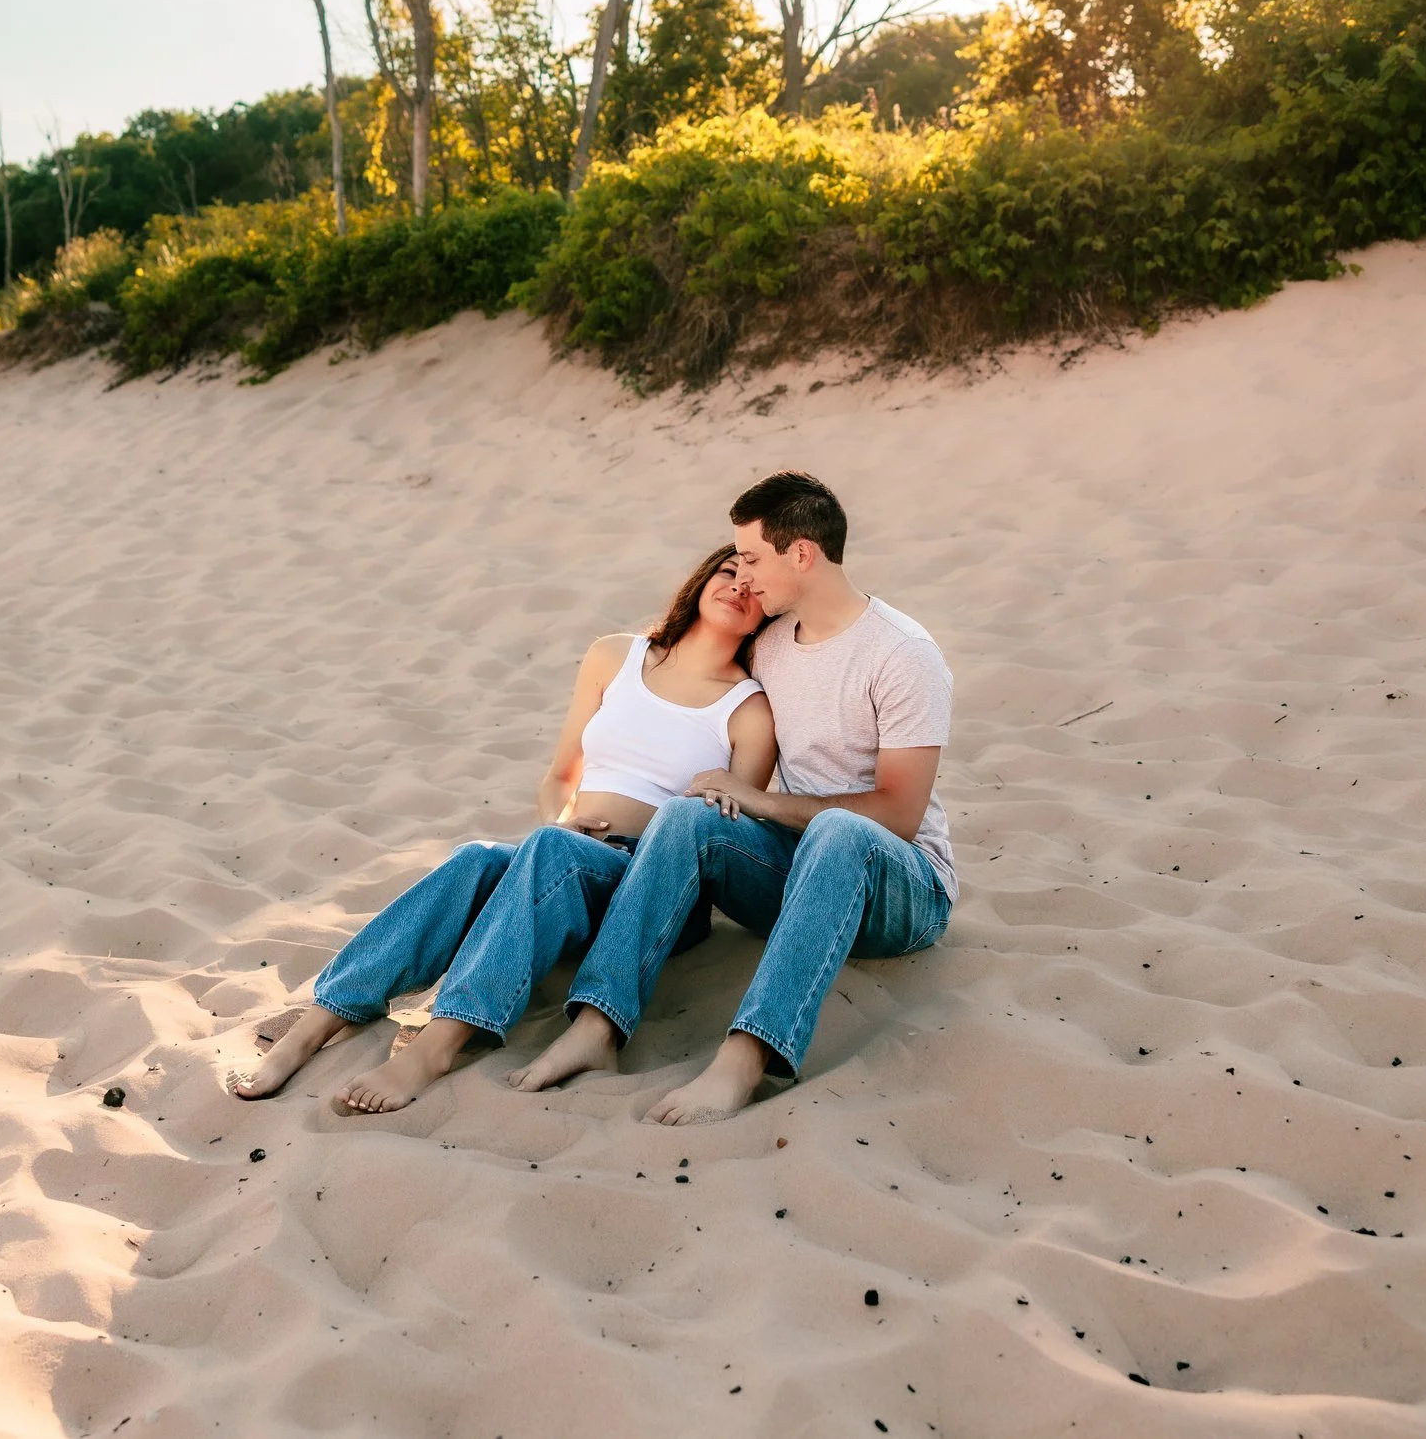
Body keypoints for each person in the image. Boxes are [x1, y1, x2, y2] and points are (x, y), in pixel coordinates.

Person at [229, 545, 776, 1112]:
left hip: (654, 892)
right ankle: (316, 1024)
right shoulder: (615, 656)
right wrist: (561, 823)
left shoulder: (748, 710)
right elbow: (559, 777)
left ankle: (440, 1044)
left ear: (769, 608)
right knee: (477, 859)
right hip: (570, 855)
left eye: (753, 584)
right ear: (701, 580)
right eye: (727, 571)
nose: (738, 586)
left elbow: (720, 837)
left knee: (548, 849)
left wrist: (560, 842)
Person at [509, 471, 956, 1125]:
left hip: (900, 889)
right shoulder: (770, 646)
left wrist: (758, 801)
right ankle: (598, 1024)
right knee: (686, 817)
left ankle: (745, 1058)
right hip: (798, 875)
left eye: (750, 557)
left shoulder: (902, 655)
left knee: (838, 831)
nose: (742, 575)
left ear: (800, 553)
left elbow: (899, 815)